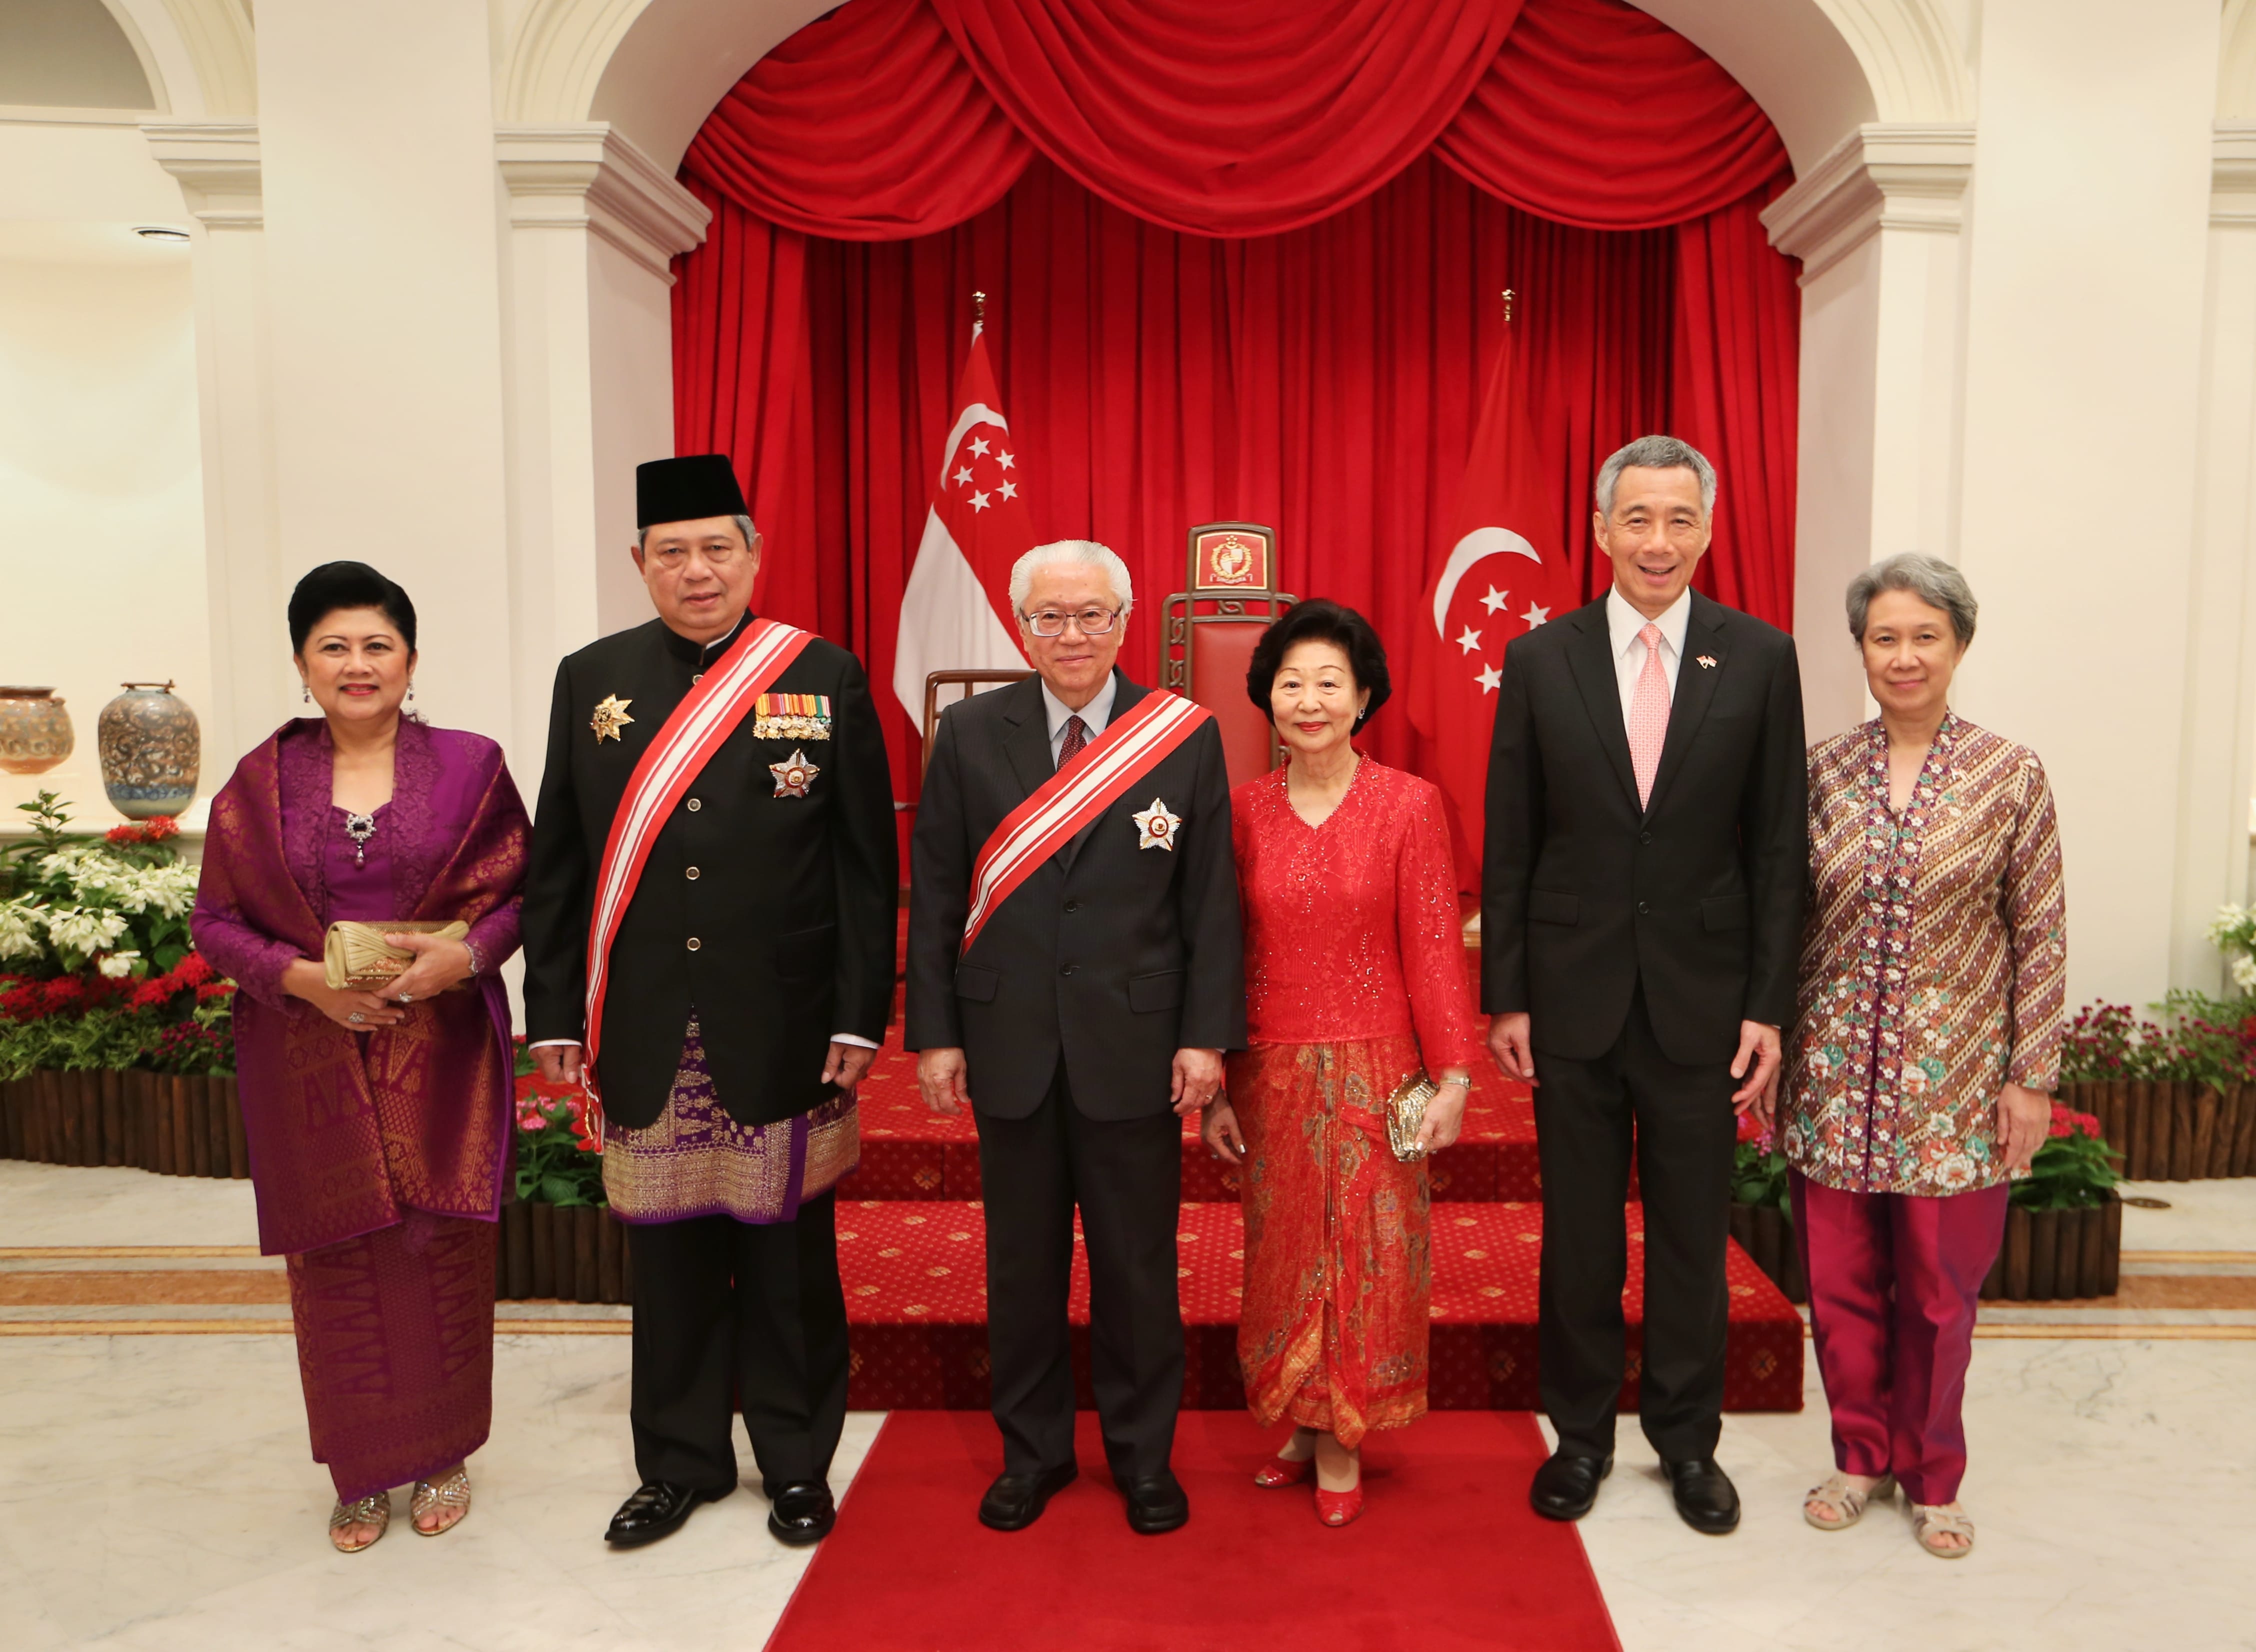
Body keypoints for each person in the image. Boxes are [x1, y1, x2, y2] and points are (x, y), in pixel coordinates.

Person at [520, 455, 896, 1550]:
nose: (697, 571)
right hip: (645, 1022)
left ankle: (794, 1460)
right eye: (672, 553)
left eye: (716, 549)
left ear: (753, 555)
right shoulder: (592, 678)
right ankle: (678, 1462)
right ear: (640, 564)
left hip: (784, 1019)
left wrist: (857, 1012)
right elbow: (560, 860)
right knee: (669, 1261)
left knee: (790, 1261)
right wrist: (552, 1013)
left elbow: (864, 864)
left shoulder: (822, 674)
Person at [1482, 434, 1807, 1535]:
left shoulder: (1761, 657)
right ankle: (1578, 1436)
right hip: (1570, 996)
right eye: (1637, 518)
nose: (1657, 540)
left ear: (1707, 529)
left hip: (1704, 1001)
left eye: (1678, 519)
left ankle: (1686, 1439)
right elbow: (1512, 837)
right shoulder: (1541, 658)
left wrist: (1767, 1005)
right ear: (1599, 528)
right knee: (1577, 1232)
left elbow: (1776, 848)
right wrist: (1508, 993)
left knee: (1687, 1235)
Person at [907, 539, 1244, 1536]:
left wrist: (1204, 1037)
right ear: (1021, 626)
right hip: (1009, 1040)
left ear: (1124, 620)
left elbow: (1211, 901)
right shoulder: (969, 733)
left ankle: (1145, 1458)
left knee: (1139, 1267)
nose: (1071, 634)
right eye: (1050, 616)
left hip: (1136, 1046)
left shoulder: (1180, 733)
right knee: (1023, 1265)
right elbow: (932, 892)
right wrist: (935, 1031)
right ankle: (1035, 1453)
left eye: (1091, 613)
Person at [192, 562, 530, 1553]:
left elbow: (523, 894)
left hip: (442, 1053)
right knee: (336, 1262)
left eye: (378, 643)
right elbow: (213, 920)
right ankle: (358, 1471)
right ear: (302, 663)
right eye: (333, 644)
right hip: (311, 1058)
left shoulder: (472, 765)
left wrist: (461, 957)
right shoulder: (259, 780)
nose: (357, 663)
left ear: (411, 660)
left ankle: (444, 1453)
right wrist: (308, 982)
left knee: (439, 1253)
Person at [1778, 552, 2064, 1560]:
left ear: (1959, 644)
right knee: (1842, 1280)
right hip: (1832, 1076)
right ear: (1860, 649)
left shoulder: (2010, 773)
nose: (1904, 656)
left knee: (1944, 1291)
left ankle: (1933, 1472)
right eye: (1884, 637)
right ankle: (1859, 1454)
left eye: (1923, 636)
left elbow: (2041, 930)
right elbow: (1786, 919)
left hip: (1959, 1082)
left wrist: (2032, 1075)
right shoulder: (1820, 771)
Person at [1199, 600, 1480, 1528]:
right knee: (1282, 1257)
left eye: (1330, 683)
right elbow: (1222, 958)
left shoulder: (1408, 805)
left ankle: (1343, 1434)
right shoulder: (1238, 814)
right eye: (1291, 683)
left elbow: (1435, 950)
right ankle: (1298, 1416)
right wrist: (1218, 1089)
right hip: (1271, 1071)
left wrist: (1454, 1077)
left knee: (1365, 1256)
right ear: (1265, 698)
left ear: (1364, 697)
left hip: (1379, 1069)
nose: (1309, 701)